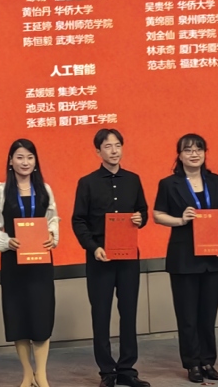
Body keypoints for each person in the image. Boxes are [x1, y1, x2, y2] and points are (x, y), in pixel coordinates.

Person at [72, 129, 150, 387]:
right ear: (98, 151)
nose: (114, 150)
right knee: (101, 314)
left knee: (128, 312)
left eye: (118, 145)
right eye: (108, 146)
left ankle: (127, 369)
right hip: (100, 258)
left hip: (128, 258)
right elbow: (78, 220)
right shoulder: (87, 182)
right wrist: (93, 247)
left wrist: (140, 218)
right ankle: (107, 370)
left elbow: (142, 211)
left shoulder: (133, 179)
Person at [153, 134, 218, 383]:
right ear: (179, 155)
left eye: (199, 149)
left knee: (208, 314)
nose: (194, 154)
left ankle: (208, 361)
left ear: (205, 153)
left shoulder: (215, 181)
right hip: (184, 257)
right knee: (187, 315)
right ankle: (192, 364)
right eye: (188, 150)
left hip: (213, 256)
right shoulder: (169, 184)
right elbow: (157, 215)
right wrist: (180, 220)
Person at [0, 139, 59, 387]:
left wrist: (52, 237)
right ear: (10, 161)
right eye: (19, 157)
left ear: (35, 161)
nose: (25, 162)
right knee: (18, 317)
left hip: (40, 262)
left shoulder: (44, 190)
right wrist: (6, 241)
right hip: (13, 263)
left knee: (41, 316)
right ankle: (27, 374)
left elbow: (53, 219)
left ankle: (42, 375)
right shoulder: (0, 191)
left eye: (29, 157)